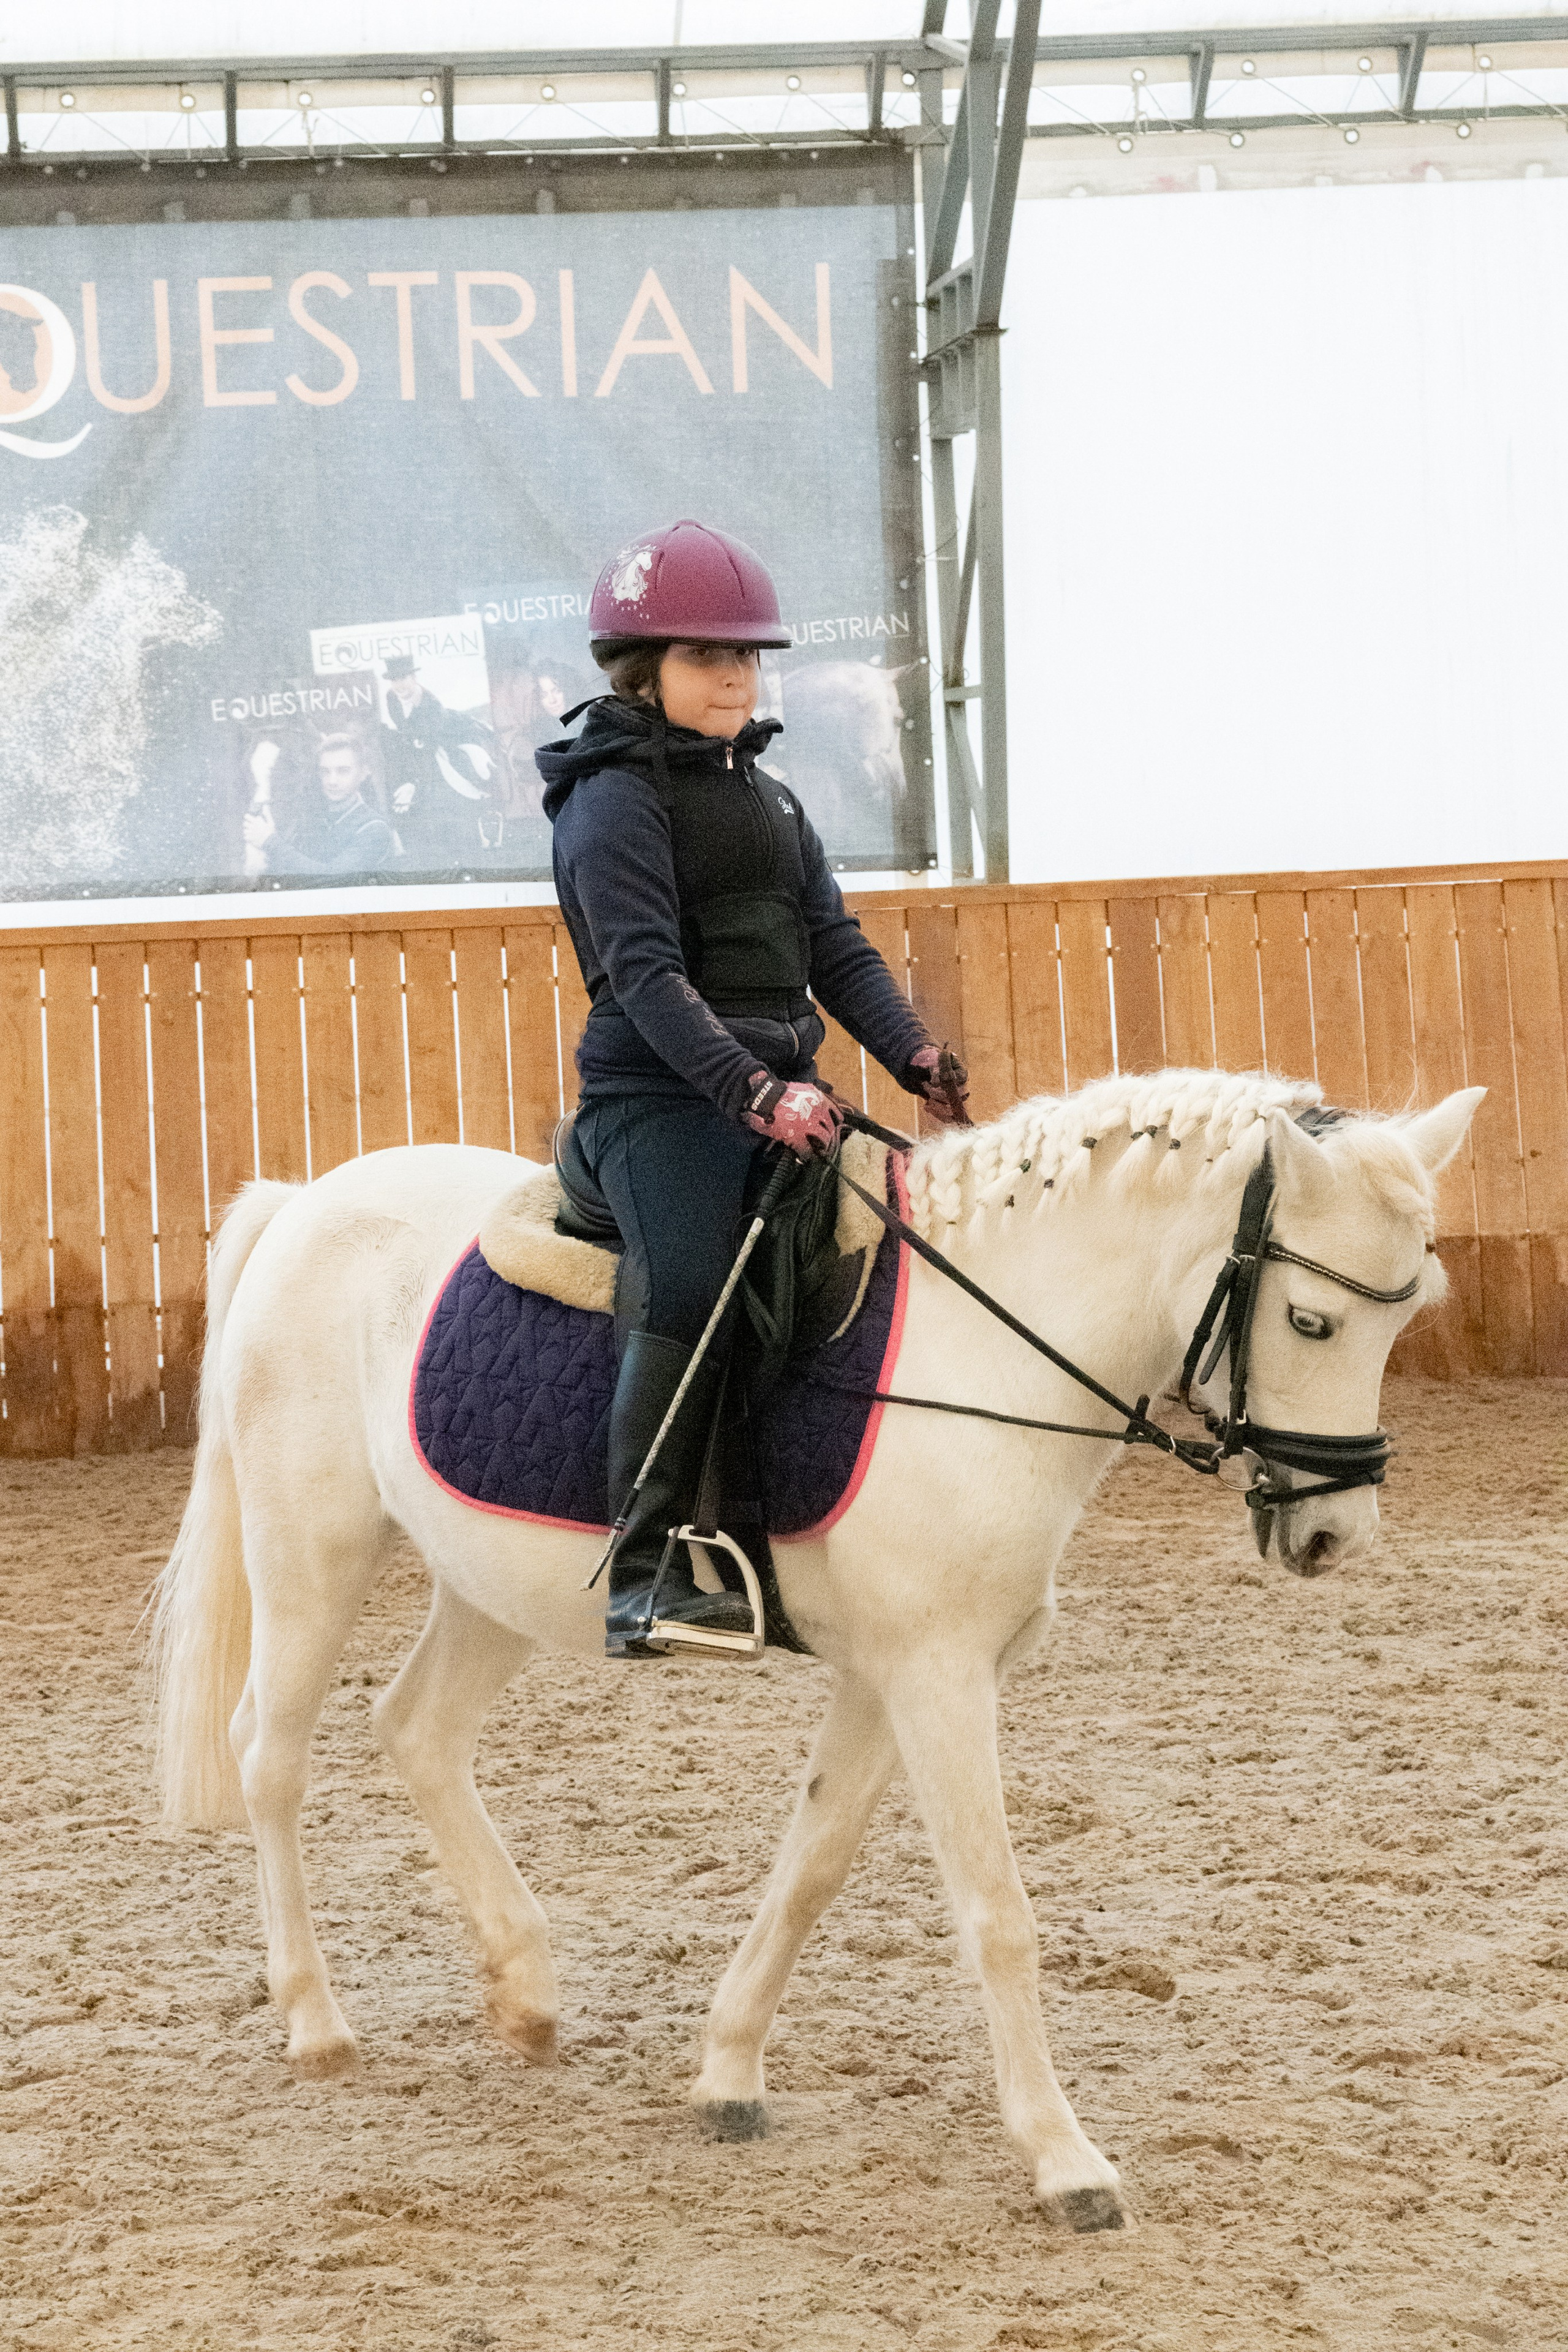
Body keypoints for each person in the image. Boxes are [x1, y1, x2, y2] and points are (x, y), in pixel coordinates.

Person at [538, 519, 970, 1660]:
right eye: (705, 656)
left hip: (779, 1096)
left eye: (745, 655)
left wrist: (913, 1056)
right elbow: (644, 976)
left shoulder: (769, 796)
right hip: (660, 1104)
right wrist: (754, 1090)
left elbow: (834, 944)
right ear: (643, 670)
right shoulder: (612, 799)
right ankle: (642, 1577)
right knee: (691, 1284)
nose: (735, 675)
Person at [380, 652, 494, 869]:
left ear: (414, 678)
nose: (399, 686)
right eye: (394, 680)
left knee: (448, 807)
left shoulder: (432, 707)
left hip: (441, 755)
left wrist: (414, 783)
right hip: (417, 756)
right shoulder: (391, 698)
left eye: (403, 679)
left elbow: (427, 752)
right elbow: (406, 736)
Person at [243, 733, 398, 876]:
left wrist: (269, 842)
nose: (332, 781)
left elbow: (333, 879)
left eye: (343, 771)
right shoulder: (310, 818)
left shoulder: (374, 828)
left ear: (364, 772)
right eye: (325, 771)